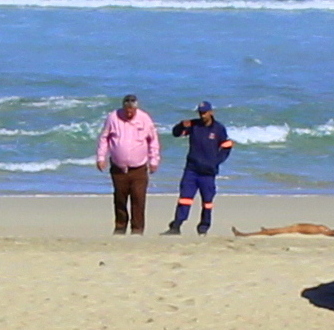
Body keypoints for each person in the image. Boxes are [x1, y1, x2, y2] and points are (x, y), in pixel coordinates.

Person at [94, 94, 159, 235]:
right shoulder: (113, 117)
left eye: (132, 110)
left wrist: (154, 160)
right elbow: (104, 138)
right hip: (118, 168)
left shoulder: (144, 119)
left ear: (136, 108)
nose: (129, 113)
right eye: (127, 109)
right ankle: (120, 227)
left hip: (139, 168)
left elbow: (153, 140)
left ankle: (137, 229)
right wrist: (101, 157)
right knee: (120, 199)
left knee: (138, 199)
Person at [168, 101, 236, 234]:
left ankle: (203, 228)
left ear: (211, 112)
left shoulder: (218, 129)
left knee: (207, 202)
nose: (202, 115)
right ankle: (176, 226)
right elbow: (176, 133)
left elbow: (227, 146)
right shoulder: (193, 125)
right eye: (200, 113)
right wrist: (181, 125)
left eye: (204, 112)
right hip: (191, 170)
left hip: (208, 173)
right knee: (185, 198)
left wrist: (216, 161)